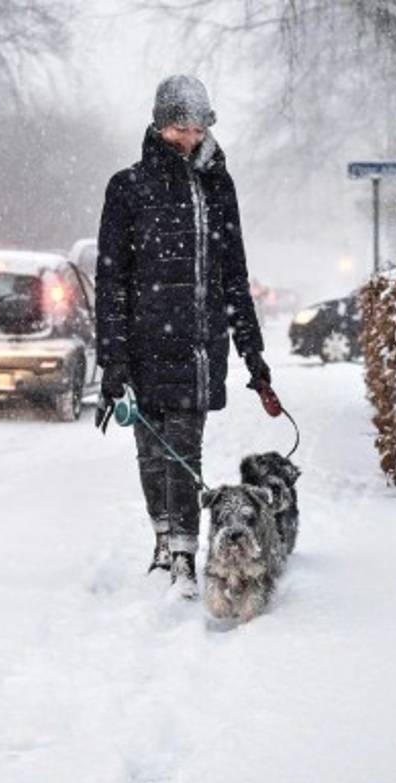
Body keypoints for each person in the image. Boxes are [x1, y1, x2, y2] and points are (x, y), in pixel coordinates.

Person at [94, 74, 271, 599]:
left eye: (197, 128)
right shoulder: (127, 188)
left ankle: (185, 557)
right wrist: (113, 359)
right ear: (159, 126)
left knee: (183, 455)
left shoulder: (218, 186)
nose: (189, 139)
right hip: (144, 348)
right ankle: (162, 541)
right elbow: (111, 279)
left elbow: (234, 275)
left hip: (197, 348)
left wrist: (253, 354)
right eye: (179, 129)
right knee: (152, 454)